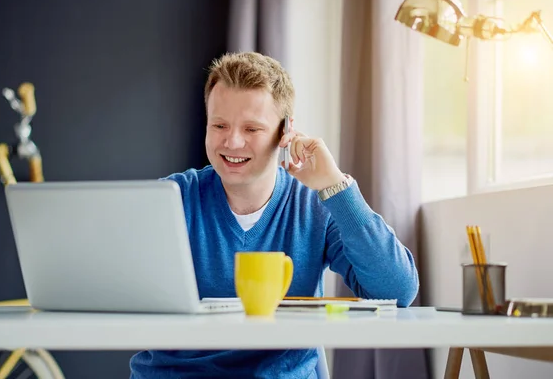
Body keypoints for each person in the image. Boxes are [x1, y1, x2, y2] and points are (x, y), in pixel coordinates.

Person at [129, 52, 419, 378]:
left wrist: (336, 186)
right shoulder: (171, 199)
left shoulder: (317, 203)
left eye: (252, 128)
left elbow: (398, 289)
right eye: (219, 125)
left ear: (286, 131)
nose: (232, 142)